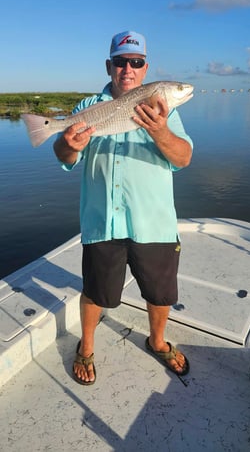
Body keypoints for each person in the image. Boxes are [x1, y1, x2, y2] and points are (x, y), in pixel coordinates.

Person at [53, 31, 193, 385]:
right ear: (109, 66)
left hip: (154, 222)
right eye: (120, 62)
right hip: (103, 223)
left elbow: (184, 157)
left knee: (161, 294)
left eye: (135, 62)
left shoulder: (165, 110)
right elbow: (65, 155)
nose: (127, 69)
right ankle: (86, 347)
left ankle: (158, 341)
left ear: (146, 69)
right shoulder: (87, 109)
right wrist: (68, 144)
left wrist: (160, 131)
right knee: (96, 290)